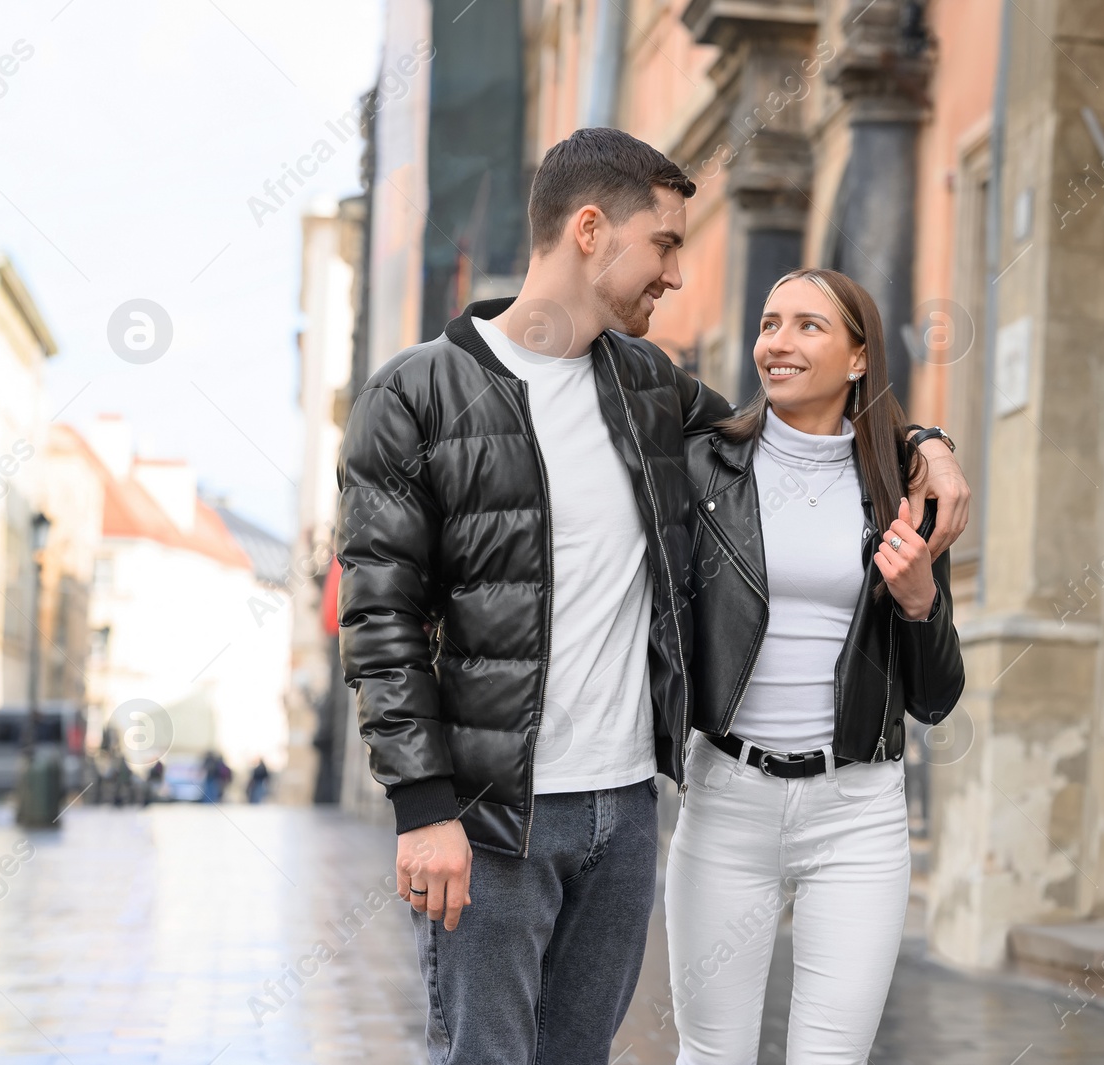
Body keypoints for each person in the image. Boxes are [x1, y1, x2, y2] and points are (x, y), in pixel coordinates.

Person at [335, 127, 970, 1065]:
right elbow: (380, 618)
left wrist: (926, 438)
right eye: (666, 244)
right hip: (492, 809)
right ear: (590, 230)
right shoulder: (417, 394)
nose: (676, 276)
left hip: (626, 810)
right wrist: (424, 806)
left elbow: (803, 430)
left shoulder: (647, 388)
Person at [666, 268, 965, 1063]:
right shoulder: (702, 467)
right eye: (769, 323)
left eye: (807, 326)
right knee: (711, 1052)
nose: (778, 343)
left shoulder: (897, 488)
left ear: (859, 357)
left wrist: (919, 599)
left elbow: (936, 696)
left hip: (856, 810)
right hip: (727, 800)